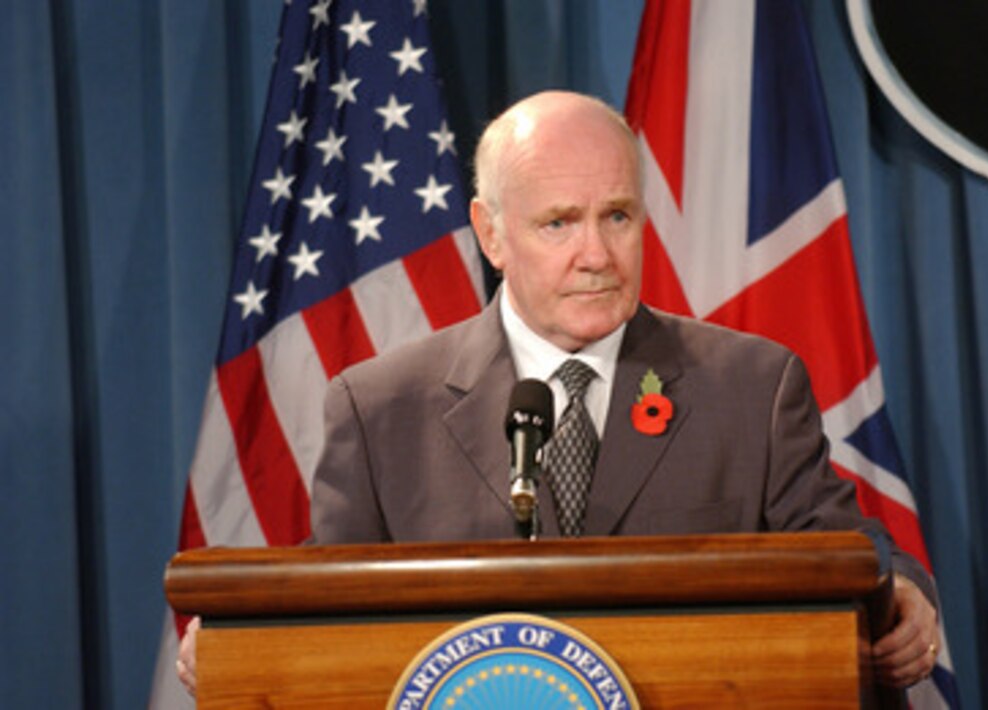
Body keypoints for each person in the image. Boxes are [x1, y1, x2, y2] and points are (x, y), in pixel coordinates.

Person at [178, 90, 940, 694]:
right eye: (558, 223)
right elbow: (333, 589)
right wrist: (245, 632)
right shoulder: (381, 407)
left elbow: (841, 547)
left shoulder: (751, 385)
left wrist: (898, 587)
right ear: (491, 233)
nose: (597, 255)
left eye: (617, 216)